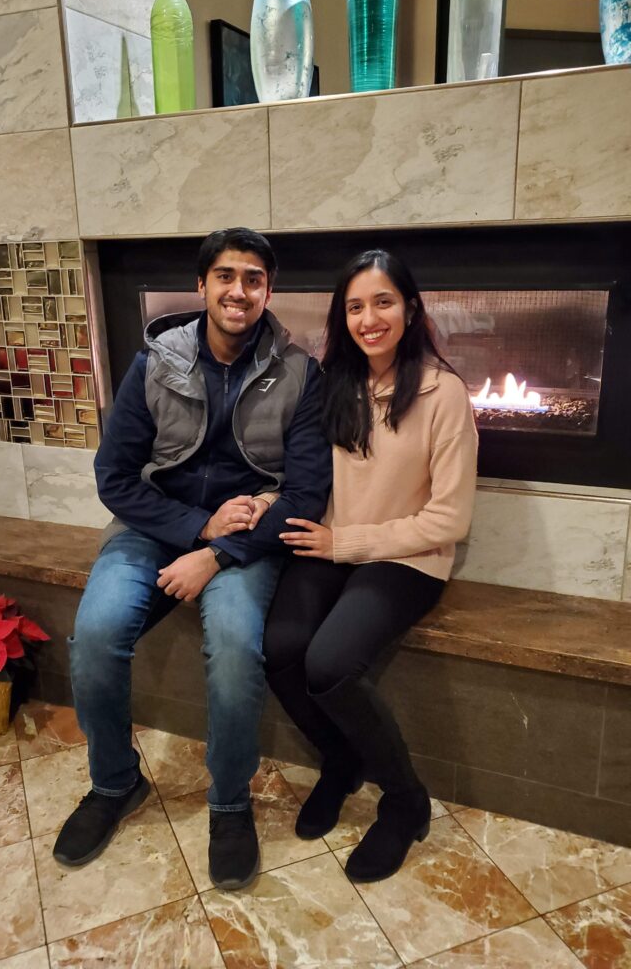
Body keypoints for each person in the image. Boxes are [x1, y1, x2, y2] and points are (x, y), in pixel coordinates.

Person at [53, 227, 331, 890]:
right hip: (154, 525)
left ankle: (229, 801)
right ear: (203, 284)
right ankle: (115, 782)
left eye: (255, 278)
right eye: (227, 276)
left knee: (236, 648)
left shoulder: (300, 372)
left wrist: (218, 550)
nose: (240, 291)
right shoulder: (155, 363)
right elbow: (115, 478)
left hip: (245, 540)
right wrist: (194, 525)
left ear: (269, 290)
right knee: (94, 634)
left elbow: (308, 494)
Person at [264, 249, 478, 883]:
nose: (369, 318)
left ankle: (406, 800)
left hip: (409, 557)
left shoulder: (444, 394)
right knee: (279, 647)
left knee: (329, 664)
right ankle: (339, 760)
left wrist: (347, 544)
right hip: (337, 541)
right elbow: (310, 476)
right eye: (354, 307)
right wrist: (269, 502)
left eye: (382, 302)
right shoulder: (334, 384)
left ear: (409, 309)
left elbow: (449, 520)